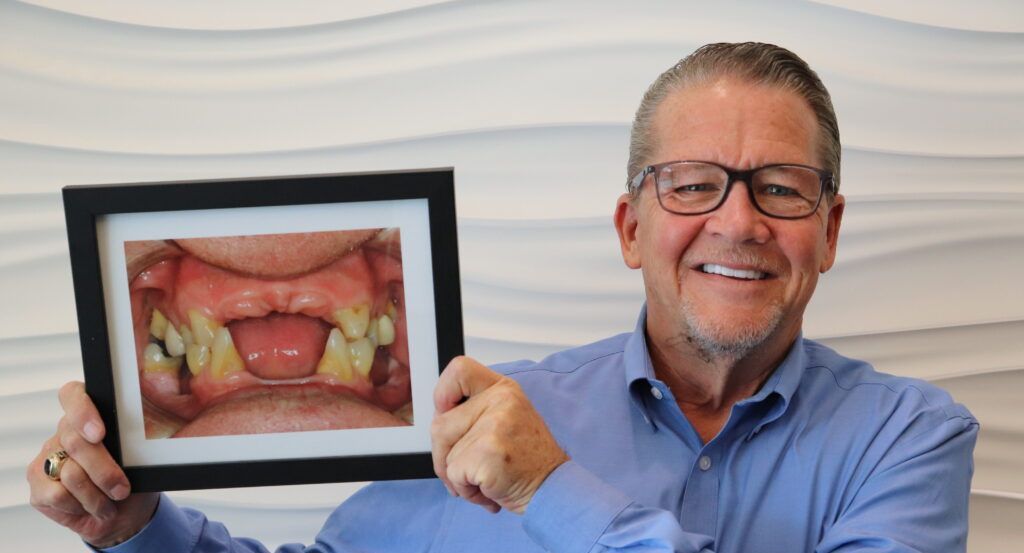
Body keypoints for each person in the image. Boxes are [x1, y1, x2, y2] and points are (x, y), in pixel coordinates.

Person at [27, 42, 978, 552]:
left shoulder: (910, 437)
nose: (738, 221)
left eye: (781, 185)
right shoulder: (468, 417)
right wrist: (134, 526)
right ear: (629, 228)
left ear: (831, 229)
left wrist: (548, 490)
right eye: (691, 183)